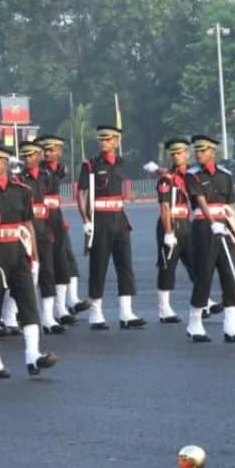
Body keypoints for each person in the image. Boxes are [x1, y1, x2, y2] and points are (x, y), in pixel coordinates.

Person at [0, 143, 58, 378]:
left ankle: (33, 355)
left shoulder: (22, 190)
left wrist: (35, 258)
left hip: (19, 252)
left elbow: (28, 225)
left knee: (28, 302)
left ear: (4, 163)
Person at [76, 125, 143, 330]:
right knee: (99, 265)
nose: (103, 142)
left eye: (107, 139)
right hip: (100, 219)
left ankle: (126, 312)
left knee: (125, 265)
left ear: (116, 141)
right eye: (101, 139)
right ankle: (95, 312)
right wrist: (86, 220)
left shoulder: (120, 163)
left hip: (119, 218)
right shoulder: (91, 165)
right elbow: (81, 193)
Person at [184, 135, 235, 342]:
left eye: (202, 150)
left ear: (213, 152)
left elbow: (230, 206)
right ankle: (194, 323)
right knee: (204, 275)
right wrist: (212, 223)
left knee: (230, 274)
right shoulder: (192, 175)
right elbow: (200, 200)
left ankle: (231, 325)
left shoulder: (225, 175)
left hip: (224, 227)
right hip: (204, 227)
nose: (198, 154)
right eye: (197, 150)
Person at [18, 140, 64, 334]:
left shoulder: (47, 177)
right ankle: (14, 316)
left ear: (39, 156)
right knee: (22, 277)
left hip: (43, 229)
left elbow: (50, 204)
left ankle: (47, 316)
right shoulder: (19, 179)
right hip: (25, 232)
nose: (27, 159)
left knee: (47, 273)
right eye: (25, 156)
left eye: (31, 155)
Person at [40, 136, 88, 323]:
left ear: (59, 151)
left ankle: (64, 305)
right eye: (45, 150)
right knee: (44, 266)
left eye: (51, 150)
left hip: (56, 219)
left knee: (65, 261)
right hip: (43, 220)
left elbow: (62, 171)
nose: (47, 153)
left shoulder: (56, 169)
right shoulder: (42, 172)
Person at [154, 139, 194, 324]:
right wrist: (169, 233)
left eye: (180, 153)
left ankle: (204, 301)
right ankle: (164, 309)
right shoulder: (166, 178)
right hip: (170, 223)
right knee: (167, 266)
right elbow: (164, 208)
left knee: (195, 264)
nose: (177, 156)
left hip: (186, 223)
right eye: (174, 154)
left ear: (187, 154)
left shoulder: (191, 175)